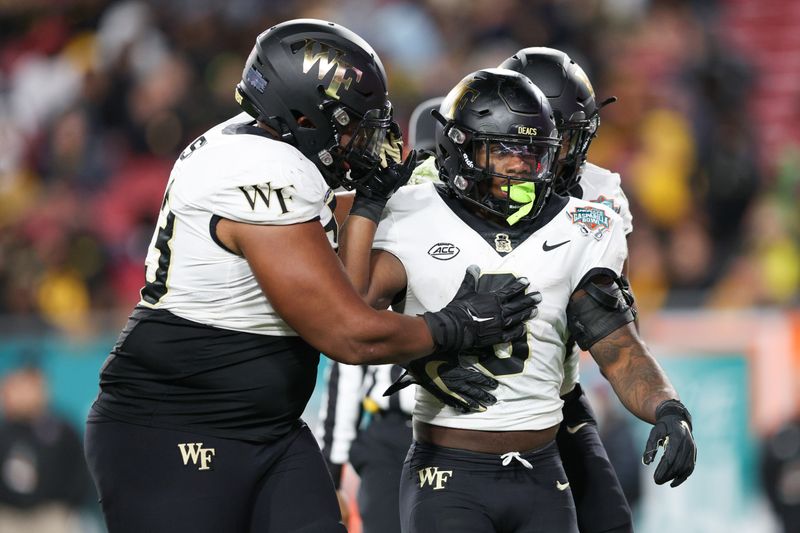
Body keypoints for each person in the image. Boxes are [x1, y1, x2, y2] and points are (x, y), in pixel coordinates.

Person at [82, 20, 537, 533]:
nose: (361, 140)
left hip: (269, 429)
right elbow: (349, 333)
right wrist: (454, 327)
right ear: (304, 112)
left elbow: (323, 235)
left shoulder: (254, 147)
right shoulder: (257, 167)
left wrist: (379, 202)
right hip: (176, 426)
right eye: (351, 124)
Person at [340, 68, 697, 532]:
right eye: (504, 149)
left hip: (543, 471)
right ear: (462, 148)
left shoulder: (582, 224)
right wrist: (369, 205)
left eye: (532, 152)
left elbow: (619, 347)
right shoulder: (413, 210)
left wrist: (668, 407)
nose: (519, 165)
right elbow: (353, 310)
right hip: (449, 469)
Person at [500, 46, 638, 533]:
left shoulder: (600, 190)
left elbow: (596, 312)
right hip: (471, 407)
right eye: (568, 135)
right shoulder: (461, 185)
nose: (578, 150)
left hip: (555, 393)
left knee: (610, 522)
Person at [314, 96, 444, 533]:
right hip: (396, 427)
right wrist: (332, 463)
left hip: (471, 431)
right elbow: (352, 351)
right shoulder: (392, 223)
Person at [0, 360, 93, 533]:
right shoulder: (4, 431)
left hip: (50, 514)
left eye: (31, 387)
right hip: (8, 515)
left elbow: (79, 473)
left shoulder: (61, 429)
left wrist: (66, 505)